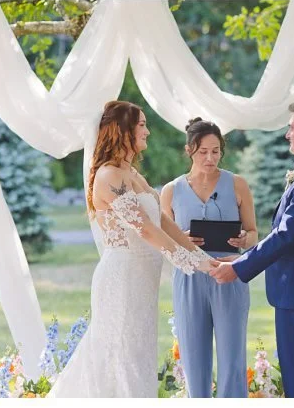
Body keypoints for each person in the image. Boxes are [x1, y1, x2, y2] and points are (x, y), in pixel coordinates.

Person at [47, 100, 215, 397]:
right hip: (122, 279)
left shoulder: (133, 174)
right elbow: (146, 230)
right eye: (142, 125)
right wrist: (191, 264)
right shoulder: (109, 175)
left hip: (142, 282)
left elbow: (163, 221)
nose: (148, 132)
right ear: (123, 130)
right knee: (120, 355)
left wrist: (202, 257)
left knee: (138, 353)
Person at [209, 98, 294, 397]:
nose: (287, 134)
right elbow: (290, 234)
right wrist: (244, 255)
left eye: (291, 127)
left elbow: (286, 234)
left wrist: (239, 268)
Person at [160, 118, 257, 398]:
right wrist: (183, 239)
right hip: (189, 278)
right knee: (193, 356)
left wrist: (244, 240)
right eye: (203, 151)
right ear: (190, 149)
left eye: (216, 151)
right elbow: (165, 241)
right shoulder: (171, 190)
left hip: (229, 275)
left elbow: (253, 234)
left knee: (232, 357)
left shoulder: (238, 185)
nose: (210, 158)